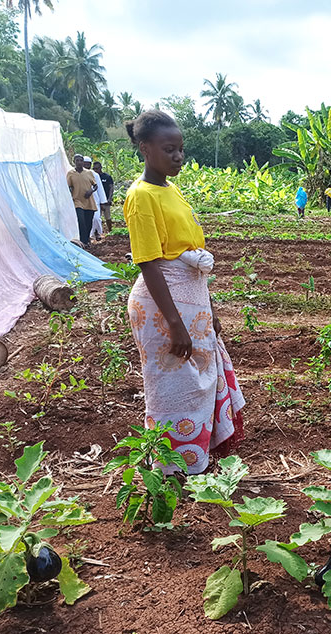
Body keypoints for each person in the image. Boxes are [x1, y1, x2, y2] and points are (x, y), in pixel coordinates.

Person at [123, 109, 245, 475]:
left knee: (195, 385)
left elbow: (188, 259)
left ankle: (193, 462)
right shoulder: (141, 196)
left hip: (190, 300)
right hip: (164, 307)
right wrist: (175, 323)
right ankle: (169, 468)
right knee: (172, 388)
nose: (178, 157)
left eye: (180, 149)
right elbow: (149, 262)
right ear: (145, 148)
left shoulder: (170, 189)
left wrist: (211, 309)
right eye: (168, 149)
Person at [66, 153, 97, 246]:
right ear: (74, 162)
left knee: (89, 222)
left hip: (89, 201)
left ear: (83, 162)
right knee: (81, 220)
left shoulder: (88, 173)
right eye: (77, 160)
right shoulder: (71, 174)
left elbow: (95, 185)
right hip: (77, 201)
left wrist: (90, 191)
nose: (79, 162)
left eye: (81, 160)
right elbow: (68, 186)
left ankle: (86, 239)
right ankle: (83, 241)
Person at [85, 156, 107, 243]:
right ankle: (90, 236)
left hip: (95, 200)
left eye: (88, 164)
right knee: (87, 219)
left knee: (96, 218)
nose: (86, 166)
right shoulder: (78, 174)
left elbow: (100, 189)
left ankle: (97, 232)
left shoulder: (95, 175)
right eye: (85, 164)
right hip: (84, 202)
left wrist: (103, 202)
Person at [94, 160, 114, 232]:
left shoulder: (107, 177)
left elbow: (111, 188)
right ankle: (97, 232)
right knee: (96, 218)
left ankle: (110, 230)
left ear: (101, 168)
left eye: (97, 168)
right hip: (96, 201)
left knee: (107, 217)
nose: (96, 170)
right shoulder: (93, 177)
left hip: (106, 201)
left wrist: (109, 199)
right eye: (94, 169)